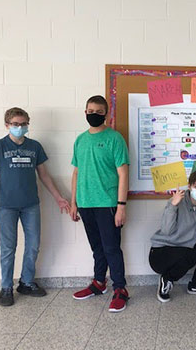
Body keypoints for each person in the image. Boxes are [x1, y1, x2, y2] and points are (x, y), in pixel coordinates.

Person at [0, 107, 70, 307]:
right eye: (15, 124)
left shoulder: (35, 147)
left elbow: (44, 175)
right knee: (8, 248)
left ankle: (26, 282)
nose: (19, 127)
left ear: (28, 124)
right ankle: (6, 287)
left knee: (33, 245)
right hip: (6, 206)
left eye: (23, 124)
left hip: (31, 205)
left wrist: (58, 197)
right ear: (7, 125)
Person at [69, 95, 130, 313]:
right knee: (97, 248)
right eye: (90, 111)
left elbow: (123, 173)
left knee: (111, 248)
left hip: (108, 204)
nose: (93, 114)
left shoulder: (115, 139)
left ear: (107, 114)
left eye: (98, 111)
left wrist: (121, 205)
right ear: (85, 112)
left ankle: (120, 289)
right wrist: (74, 202)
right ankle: (98, 282)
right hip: (85, 204)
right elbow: (76, 172)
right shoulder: (80, 140)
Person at [149, 171, 196, 303]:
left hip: (185, 249)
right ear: (189, 186)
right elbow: (166, 230)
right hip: (161, 252)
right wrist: (173, 205)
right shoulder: (177, 200)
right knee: (191, 255)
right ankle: (167, 279)